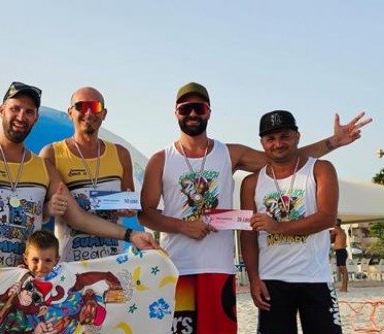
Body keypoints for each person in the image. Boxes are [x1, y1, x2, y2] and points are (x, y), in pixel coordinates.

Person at [139, 82, 370, 334]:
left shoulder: (229, 153)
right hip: (178, 267)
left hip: (219, 267)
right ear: (176, 113)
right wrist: (184, 227)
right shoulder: (161, 159)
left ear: (208, 111)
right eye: (185, 109)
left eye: (199, 107)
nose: (192, 114)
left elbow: (283, 155)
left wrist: (332, 143)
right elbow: (147, 213)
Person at [0, 81, 159, 270]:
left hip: (23, 279)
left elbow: (78, 218)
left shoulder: (43, 167)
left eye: (29, 112)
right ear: (2, 110)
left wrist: (132, 234)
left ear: (36, 118)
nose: (21, 116)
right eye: (15, 109)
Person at [240, 110, 343, 333]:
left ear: (297, 136)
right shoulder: (251, 182)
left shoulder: (320, 169)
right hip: (271, 281)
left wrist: (277, 227)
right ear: (262, 142)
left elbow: (326, 218)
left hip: (315, 278)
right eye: (271, 138)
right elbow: (247, 234)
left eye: (284, 136)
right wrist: (254, 278)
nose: (278, 143)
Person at [39, 87, 136, 262]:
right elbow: (38, 211)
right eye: (81, 106)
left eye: (95, 106)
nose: (89, 112)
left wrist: (129, 209)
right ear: (70, 112)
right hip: (70, 263)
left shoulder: (121, 154)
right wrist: (48, 208)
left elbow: (130, 204)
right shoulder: (51, 153)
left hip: (113, 260)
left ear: (104, 113)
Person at [331, 218, 349, 292]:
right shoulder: (342, 231)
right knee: (342, 270)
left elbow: (330, 239)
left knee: (343, 270)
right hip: (342, 251)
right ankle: (343, 287)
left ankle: (344, 287)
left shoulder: (335, 229)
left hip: (341, 251)